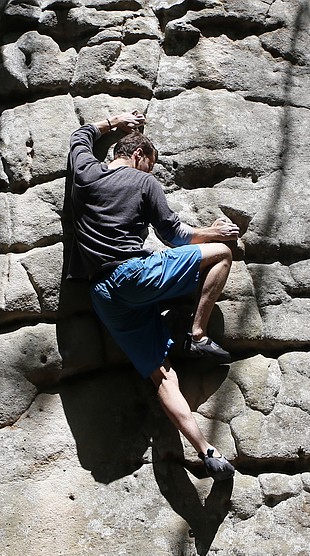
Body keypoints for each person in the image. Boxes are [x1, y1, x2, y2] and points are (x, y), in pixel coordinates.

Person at [66, 111, 238, 480]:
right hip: (134, 274)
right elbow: (175, 236)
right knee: (222, 255)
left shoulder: (85, 172)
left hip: (102, 294)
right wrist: (215, 231)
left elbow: (80, 136)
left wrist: (114, 121)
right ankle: (197, 336)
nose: (151, 172)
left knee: (161, 376)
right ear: (140, 154)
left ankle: (207, 452)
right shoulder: (143, 183)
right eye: (151, 165)